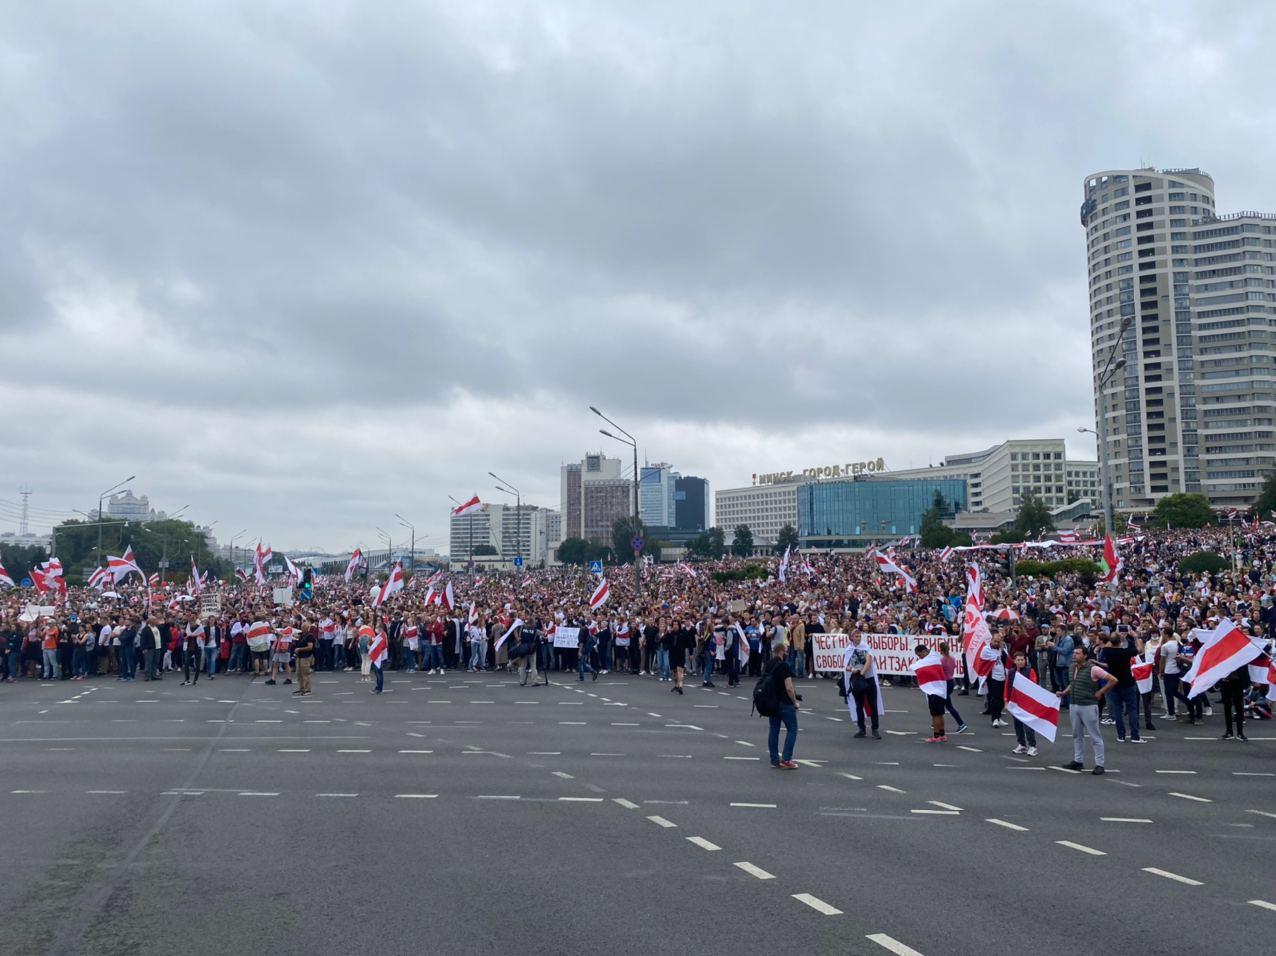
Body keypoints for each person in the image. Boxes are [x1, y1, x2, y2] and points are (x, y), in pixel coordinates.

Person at [1058, 645, 1115, 775]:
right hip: (1074, 704)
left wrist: (1100, 692)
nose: (1074, 655)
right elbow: (1073, 684)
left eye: (1077, 653)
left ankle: (1100, 764)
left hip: (1088, 705)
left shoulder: (1093, 669)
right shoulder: (1072, 668)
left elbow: (1112, 680)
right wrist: (1063, 693)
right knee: (1077, 734)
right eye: (1074, 653)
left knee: (1095, 735)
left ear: (1085, 655)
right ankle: (1078, 760)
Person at [764, 639, 799, 769]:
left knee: (774, 730)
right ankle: (786, 758)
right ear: (782, 652)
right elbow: (789, 687)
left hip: (771, 702)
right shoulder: (784, 666)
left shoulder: (768, 664)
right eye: (786, 651)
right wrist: (794, 702)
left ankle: (774, 760)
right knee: (792, 729)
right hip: (784, 701)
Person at [843, 631, 881, 739]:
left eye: (859, 636)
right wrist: (853, 669)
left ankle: (875, 728)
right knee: (858, 705)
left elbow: (869, 661)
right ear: (852, 637)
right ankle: (861, 729)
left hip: (868, 678)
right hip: (857, 679)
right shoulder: (849, 649)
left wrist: (862, 672)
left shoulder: (865, 647)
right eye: (856, 636)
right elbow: (846, 665)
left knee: (873, 704)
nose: (858, 638)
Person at [1005, 650, 1038, 756]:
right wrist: (1006, 701)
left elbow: (1033, 685)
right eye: (1018, 660)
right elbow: (1007, 687)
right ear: (1014, 661)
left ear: (1025, 660)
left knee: (1028, 725)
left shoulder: (1030, 671)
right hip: (1015, 703)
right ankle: (1022, 744)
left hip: (1027, 703)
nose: (1020, 662)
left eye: (1022, 660)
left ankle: (1032, 746)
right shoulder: (1011, 672)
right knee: (1017, 725)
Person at [939, 640, 967, 733]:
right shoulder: (952, 658)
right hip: (951, 681)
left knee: (948, 705)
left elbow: (940, 673)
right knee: (943, 704)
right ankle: (937, 722)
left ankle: (961, 723)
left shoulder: (942, 660)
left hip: (945, 683)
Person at [1219, 662, 1251, 741]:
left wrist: (1246, 682)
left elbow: (1245, 666)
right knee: (1227, 707)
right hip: (1225, 682)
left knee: (1239, 707)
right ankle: (1229, 731)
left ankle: (1240, 732)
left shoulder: (1240, 653)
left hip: (1238, 682)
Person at [294, 623, 315, 696]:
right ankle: (301, 688)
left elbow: (310, 647)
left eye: (303, 627)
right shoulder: (302, 635)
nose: (301, 628)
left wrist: (300, 649)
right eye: (301, 627)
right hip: (299, 656)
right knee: (299, 673)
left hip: (306, 656)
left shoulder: (310, 636)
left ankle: (307, 690)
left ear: (307, 628)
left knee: (305, 673)